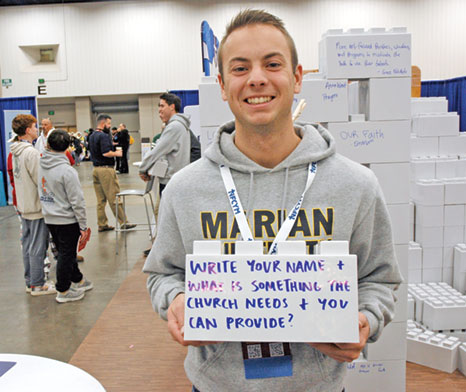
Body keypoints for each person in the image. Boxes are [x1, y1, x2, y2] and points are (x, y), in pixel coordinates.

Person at [143, 9, 402, 392]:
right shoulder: (185, 189)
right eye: (240, 68)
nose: (257, 79)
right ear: (222, 83)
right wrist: (176, 300)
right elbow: (162, 273)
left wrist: (365, 318)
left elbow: (379, 278)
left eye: (273, 64)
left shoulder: (355, 184)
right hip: (215, 384)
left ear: (297, 78)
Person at [38, 130, 93, 303]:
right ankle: (63, 290)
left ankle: (78, 279)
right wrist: (83, 226)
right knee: (66, 254)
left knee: (65, 252)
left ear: (48, 145)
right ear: (68, 147)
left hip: (50, 217)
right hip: (66, 220)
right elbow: (77, 201)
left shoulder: (40, 164)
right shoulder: (67, 171)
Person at [10, 114, 55, 295]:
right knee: (38, 246)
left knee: (28, 245)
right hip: (35, 207)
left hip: (23, 204)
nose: (38, 129)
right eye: (36, 127)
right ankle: (38, 283)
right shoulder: (31, 153)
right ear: (28, 130)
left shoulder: (15, 151)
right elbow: (41, 180)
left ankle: (30, 281)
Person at [88, 114, 135, 232]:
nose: (109, 126)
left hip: (96, 169)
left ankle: (102, 223)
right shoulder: (103, 136)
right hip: (106, 170)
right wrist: (117, 154)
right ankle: (123, 222)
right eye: (108, 124)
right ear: (103, 124)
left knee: (101, 200)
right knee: (114, 196)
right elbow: (105, 153)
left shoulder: (92, 135)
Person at [138, 92, 191, 197]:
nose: (159, 109)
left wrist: (142, 168)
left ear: (172, 107)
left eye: (162, 106)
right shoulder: (179, 126)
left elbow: (156, 152)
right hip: (175, 180)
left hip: (171, 183)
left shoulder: (174, 127)